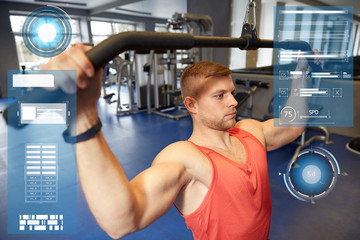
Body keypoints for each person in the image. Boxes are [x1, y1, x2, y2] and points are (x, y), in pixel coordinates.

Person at [41, 44, 310, 240]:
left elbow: (294, 124)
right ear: (191, 105)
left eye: (231, 92)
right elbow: (121, 221)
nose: (233, 101)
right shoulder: (186, 159)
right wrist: (83, 114)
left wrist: (301, 73)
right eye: (219, 96)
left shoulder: (250, 130)